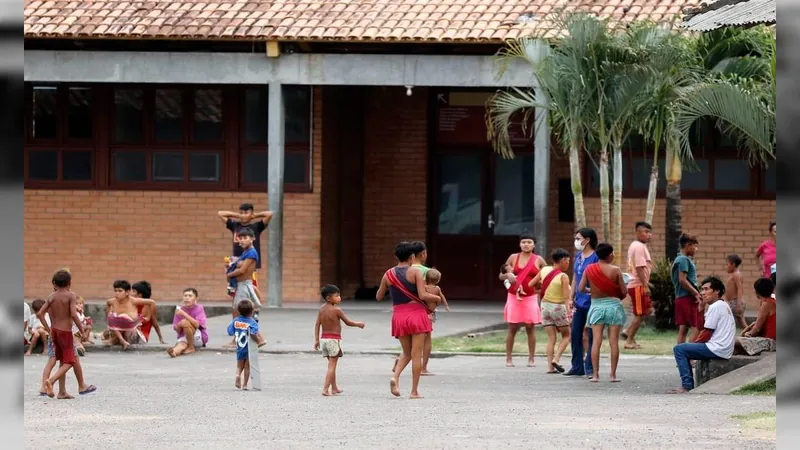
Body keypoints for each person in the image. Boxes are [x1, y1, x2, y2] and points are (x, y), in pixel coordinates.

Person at [376, 241, 441, 399]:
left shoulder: (388, 274)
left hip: (399, 315)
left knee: (406, 353)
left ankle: (395, 377)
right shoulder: (415, 272)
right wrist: (437, 297)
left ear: (396, 256)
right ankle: (414, 391)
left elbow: (378, 296)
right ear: (412, 257)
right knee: (416, 354)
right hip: (416, 315)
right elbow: (422, 295)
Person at [669, 276, 735, 394]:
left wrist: (693, 347)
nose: (702, 293)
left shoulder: (716, 307)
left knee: (679, 349)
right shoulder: (720, 305)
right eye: (702, 289)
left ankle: (687, 386)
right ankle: (687, 384)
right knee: (685, 349)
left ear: (717, 291)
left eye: (706, 289)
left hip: (718, 348)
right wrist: (700, 309)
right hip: (721, 348)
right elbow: (701, 327)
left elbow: (706, 333)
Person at [38, 270, 95, 399]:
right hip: (65, 333)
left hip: (55, 331)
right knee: (71, 360)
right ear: (70, 283)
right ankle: (51, 381)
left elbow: (40, 314)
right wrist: (81, 330)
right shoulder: (71, 296)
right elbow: (74, 315)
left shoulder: (51, 296)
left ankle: (62, 392)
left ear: (54, 283)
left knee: (63, 360)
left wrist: (48, 329)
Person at [579, 243, 627, 383]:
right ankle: (612, 375)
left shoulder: (589, 269)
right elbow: (623, 291)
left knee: (596, 342)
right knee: (613, 342)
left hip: (596, 307)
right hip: (613, 306)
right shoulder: (616, 270)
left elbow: (581, 288)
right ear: (610, 255)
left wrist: (592, 291)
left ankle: (595, 375)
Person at [498, 232, 545, 368]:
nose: (526, 244)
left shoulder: (538, 259)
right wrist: (508, 274)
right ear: (520, 244)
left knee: (530, 327)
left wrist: (540, 287)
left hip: (530, 297)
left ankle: (531, 359)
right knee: (512, 327)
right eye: (524, 242)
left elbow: (547, 275)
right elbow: (500, 275)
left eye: (529, 242)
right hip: (514, 296)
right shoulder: (513, 257)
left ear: (534, 244)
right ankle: (508, 358)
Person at [314, 284, 365, 396]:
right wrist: (358, 324)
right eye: (336, 296)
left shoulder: (321, 309)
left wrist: (316, 340)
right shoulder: (337, 310)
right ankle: (325, 389)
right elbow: (348, 322)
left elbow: (317, 324)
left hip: (324, 340)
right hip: (334, 340)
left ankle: (334, 388)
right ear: (328, 298)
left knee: (331, 365)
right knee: (332, 366)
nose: (339, 298)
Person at [528, 248, 572, 374]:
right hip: (558, 307)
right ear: (563, 260)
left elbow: (531, 284)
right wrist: (568, 313)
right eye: (567, 261)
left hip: (545, 306)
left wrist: (541, 288)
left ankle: (550, 367)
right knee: (566, 335)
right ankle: (556, 359)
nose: (568, 264)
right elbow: (566, 298)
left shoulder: (544, 269)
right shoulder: (563, 276)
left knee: (551, 338)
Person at [564, 228, 599, 378]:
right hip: (579, 302)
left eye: (579, 238)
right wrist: (570, 298)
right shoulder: (579, 256)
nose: (577, 241)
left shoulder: (596, 257)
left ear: (588, 240)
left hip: (592, 301)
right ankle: (577, 366)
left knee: (591, 335)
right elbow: (575, 278)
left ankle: (590, 367)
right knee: (575, 333)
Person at [218, 203, 274, 289]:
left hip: (250, 261)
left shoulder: (256, 226)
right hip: (237, 260)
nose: (243, 215)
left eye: (246, 213)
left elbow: (269, 214)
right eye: (241, 213)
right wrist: (237, 215)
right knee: (236, 286)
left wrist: (254, 215)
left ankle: (256, 302)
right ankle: (239, 301)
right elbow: (220, 213)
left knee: (251, 285)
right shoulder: (235, 225)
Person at [623, 221, 653, 350]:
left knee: (648, 310)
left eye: (649, 232)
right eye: (645, 232)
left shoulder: (637, 245)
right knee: (640, 313)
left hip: (638, 284)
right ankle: (629, 340)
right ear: (637, 232)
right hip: (638, 285)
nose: (649, 235)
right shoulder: (639, 247)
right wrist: (645, 284)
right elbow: (640, 268)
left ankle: (628, 331)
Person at [104, 280, 157, 350]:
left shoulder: (133, 301)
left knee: (124, 317)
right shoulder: (112, 301)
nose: (117, 293)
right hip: (117, 331)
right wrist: (108, 318)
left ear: (127, 292)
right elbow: (108, 303)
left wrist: (148, 317)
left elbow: (152, 302)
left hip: (132, 334)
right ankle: (120, 340)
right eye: (115, 291)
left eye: (120, 291)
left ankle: (119, 340)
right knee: (111, 323)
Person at [227, 300, 266, 390]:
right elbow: (253, 334)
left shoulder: (235, 321)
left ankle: (237, 375)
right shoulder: (253, 323)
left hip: (239, 347)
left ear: (238, 311)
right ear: (252, 311)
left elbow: (230, 331)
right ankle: (244, 385)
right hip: (249, 347)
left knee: (239, 365)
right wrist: (258, 341)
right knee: (247, 366)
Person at [672, 233, 702, 344]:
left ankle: (682, 355)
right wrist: (696, 293)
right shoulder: (683, 260)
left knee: (683, 329)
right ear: (688, 245)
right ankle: (690, 355)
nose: (696, 249)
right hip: (687, 298)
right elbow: (682, 280)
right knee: (696, 327)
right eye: (695, 246)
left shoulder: (680, 259)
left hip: (681, 297)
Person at [735, 278, 776, 356]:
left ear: (757, 291)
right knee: (736, 348)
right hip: (770, 340)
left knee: (734, 341)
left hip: (771, 341)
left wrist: (748, 334)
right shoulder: (772, 301)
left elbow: (757, 328)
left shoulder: (767, 304)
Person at [167, 288, 210, 358]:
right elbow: (176, 329)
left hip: (198, 337)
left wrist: (183, 314)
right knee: (181, 345)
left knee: (185, 322)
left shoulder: (199, 308)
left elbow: (197, 325)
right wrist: (180, 324)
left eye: (190, 296)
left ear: (196, 298)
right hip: (185, 336)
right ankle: (174, 352)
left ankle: (191, 347)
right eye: (185, 295)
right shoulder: (179, 310)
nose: (187, 298)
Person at [723, 254, 748, 329]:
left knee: (729, 321)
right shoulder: (733, 274)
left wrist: (738, 304)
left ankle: (750, 334)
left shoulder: (736, 275)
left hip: (736, 302)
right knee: (741, 321)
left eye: (727, 264)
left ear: (733, 264)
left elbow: (740, 289)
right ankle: (750, 334)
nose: (726, 267)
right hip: (733, 302)